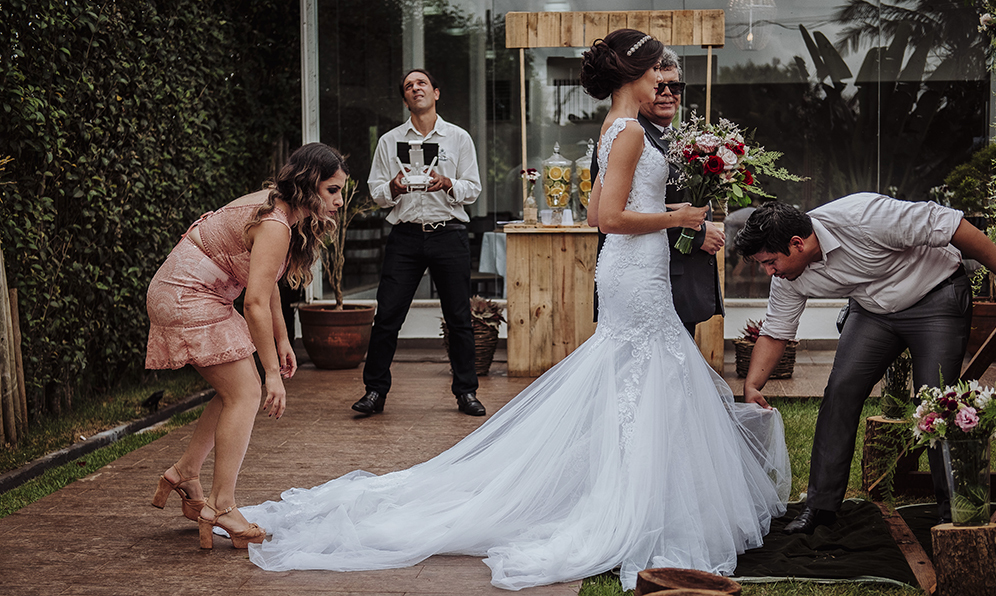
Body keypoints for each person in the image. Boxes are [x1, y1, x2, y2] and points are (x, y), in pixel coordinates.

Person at [238, 30, 789, 591]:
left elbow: (606, 204)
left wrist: (671, 211)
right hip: (634, 270)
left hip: (633, 269)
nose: (662, 82)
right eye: (656, 74)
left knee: (645, 373)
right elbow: (606, 219)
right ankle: (634, 498)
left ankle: (641, 484)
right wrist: (682, 219)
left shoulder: (618, 130)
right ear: (634, 75)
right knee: (646, 370)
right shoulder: (626, 133)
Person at [733, 195, 996, 534]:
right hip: (873, 311)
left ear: (797, 244)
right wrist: (752, 386)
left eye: (770, 261)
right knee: (841, 390)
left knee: (938, 403)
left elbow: (952, 224)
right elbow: (776, 332)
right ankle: (820, 508)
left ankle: (951, 511)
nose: (768, 271)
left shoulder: (863, 216)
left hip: (934, 295)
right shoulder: (787, 277)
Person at [146, 143, 348, 549]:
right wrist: (271, 373)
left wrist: (281, 339)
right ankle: (221, 507)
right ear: (309, 185)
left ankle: (185, 472)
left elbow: (266, 282)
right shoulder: (276, 223)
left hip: (193, 292)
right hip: (189, 295)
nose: (340, 201)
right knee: (247, 391)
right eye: (332, 190)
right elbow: (253, 302)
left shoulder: (281, 210)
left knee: (233, 391)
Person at [352, 68, 485, 418]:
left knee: (458, 317)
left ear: (436, 93)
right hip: (406, 237)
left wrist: (447, 183)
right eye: (409, 86)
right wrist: (393, 188)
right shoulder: (388, 141)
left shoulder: (458, 138)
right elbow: (377, 193)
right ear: (405, 98)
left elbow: (473, 189)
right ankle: (375, 392)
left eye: (421, 83)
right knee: (387, 317)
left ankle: (466, 392)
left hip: (449, 233)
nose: (415, 88)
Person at [588, 48, 725, 335]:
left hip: (676, 273)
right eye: (658, 83)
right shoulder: (626, 132)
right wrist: (694, 229)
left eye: (674, 86)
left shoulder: (678, 137)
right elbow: (607, 216)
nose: (665, 92)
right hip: (647, 273)